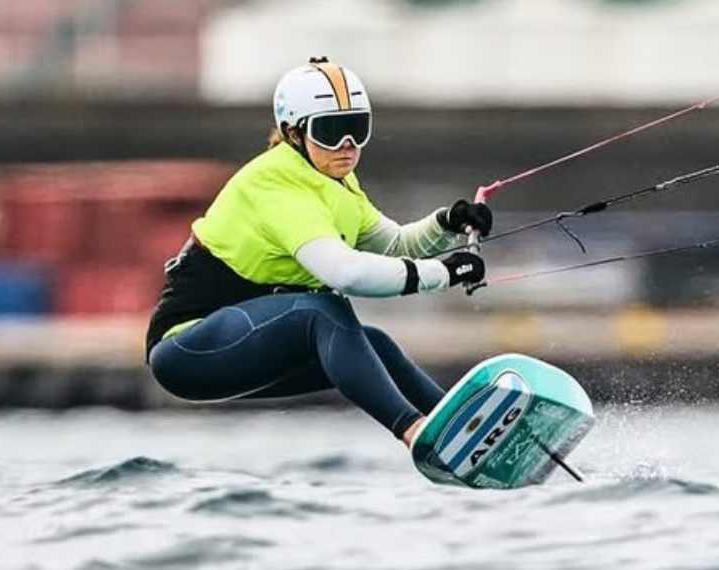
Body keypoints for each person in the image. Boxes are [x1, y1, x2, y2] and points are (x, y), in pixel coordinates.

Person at [145, 57, 490, 449]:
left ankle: (469, 433)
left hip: (239, 342)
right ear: (294, 133)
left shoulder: (334, 178)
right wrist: (445, 273)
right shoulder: (277, 183)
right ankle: (416, 434)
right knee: (324, 310)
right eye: (330, 132)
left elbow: (394, 245)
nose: (347, 146)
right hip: (185, 353)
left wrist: (447, 221)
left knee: (372, 342)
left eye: (357, 129)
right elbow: (345, 274)